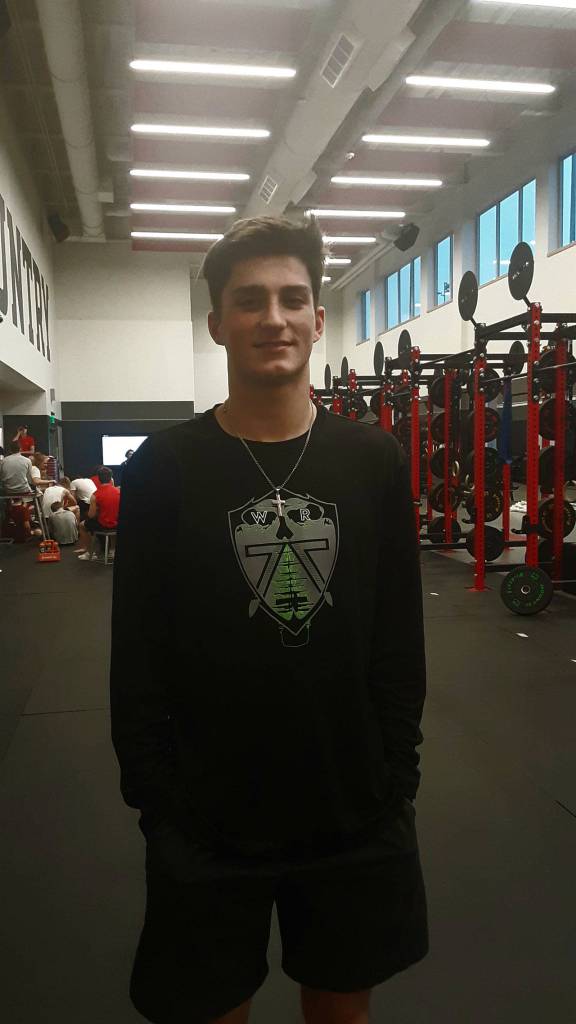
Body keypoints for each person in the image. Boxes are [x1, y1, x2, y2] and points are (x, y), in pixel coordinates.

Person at [110, 216, 428, 1024]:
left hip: (353, 808)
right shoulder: (164, 469)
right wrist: (160, 802)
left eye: (293, 299)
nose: (273, 318)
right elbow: (138, 654)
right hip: (208, 820)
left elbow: (397, 640)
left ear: (319, 320)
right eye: (249, 301)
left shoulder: (374, 461)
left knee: (340, 1013)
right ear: (218, 323)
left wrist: (396, 779)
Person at [77, 466, 120, 560]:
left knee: (82, 525)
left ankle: (90, 553)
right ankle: (113, 551)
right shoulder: (119, 492)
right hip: (117, 524)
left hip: (104, 525)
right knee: (113, 521)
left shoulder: (95, 495)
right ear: (111, 478)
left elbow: (91, 515)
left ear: (99, 479)